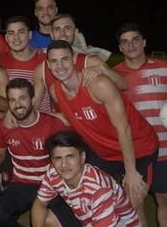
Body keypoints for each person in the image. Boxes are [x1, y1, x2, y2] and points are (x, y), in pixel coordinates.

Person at [46, 40, 158, 216]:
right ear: (48, 65)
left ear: (75, 58)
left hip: (138, 148)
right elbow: (70, 117)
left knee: (132, 206)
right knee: (93, 199)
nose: (59, 66)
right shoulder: (55, 91)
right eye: (53, 61)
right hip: (105, 153)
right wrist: (32, 116)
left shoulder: (98, 85)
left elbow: (124, 128)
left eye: (64, 59)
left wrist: (130, 171)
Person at [0, 78, 66, 227]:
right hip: (21, 184)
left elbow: (67, 160)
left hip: (50, 186)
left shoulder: (52, 125)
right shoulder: (6, 126)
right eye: (12, 100)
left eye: (22, 98)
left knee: (53, 225)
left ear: (32, 100)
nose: (17, 104)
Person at [114, 22, 167, 227]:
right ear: (120, 47)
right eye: (125, 41)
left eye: (135, 39)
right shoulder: (116, 75)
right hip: (136, 152)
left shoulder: (164, 68)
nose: (130, 45)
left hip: (165, 149)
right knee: (134, 202)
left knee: (163, 199)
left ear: (144, 42)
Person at [33, 13, 127, 113]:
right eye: (57, 29)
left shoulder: (90, 61)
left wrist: (103, 69)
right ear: (51, 34)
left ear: (75, 31)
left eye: (67, 28)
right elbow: (34, 106)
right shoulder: (42, 69)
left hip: (95, 124)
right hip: (66, 125)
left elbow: (123, 85)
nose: (62, 33)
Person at [0, 15, 51, 115]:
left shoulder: (46, 60)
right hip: (12, 123)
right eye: (11, 33)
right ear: (6, 38)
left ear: (30, 34)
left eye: (21, 32)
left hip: (42, 122)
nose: (16, 37)